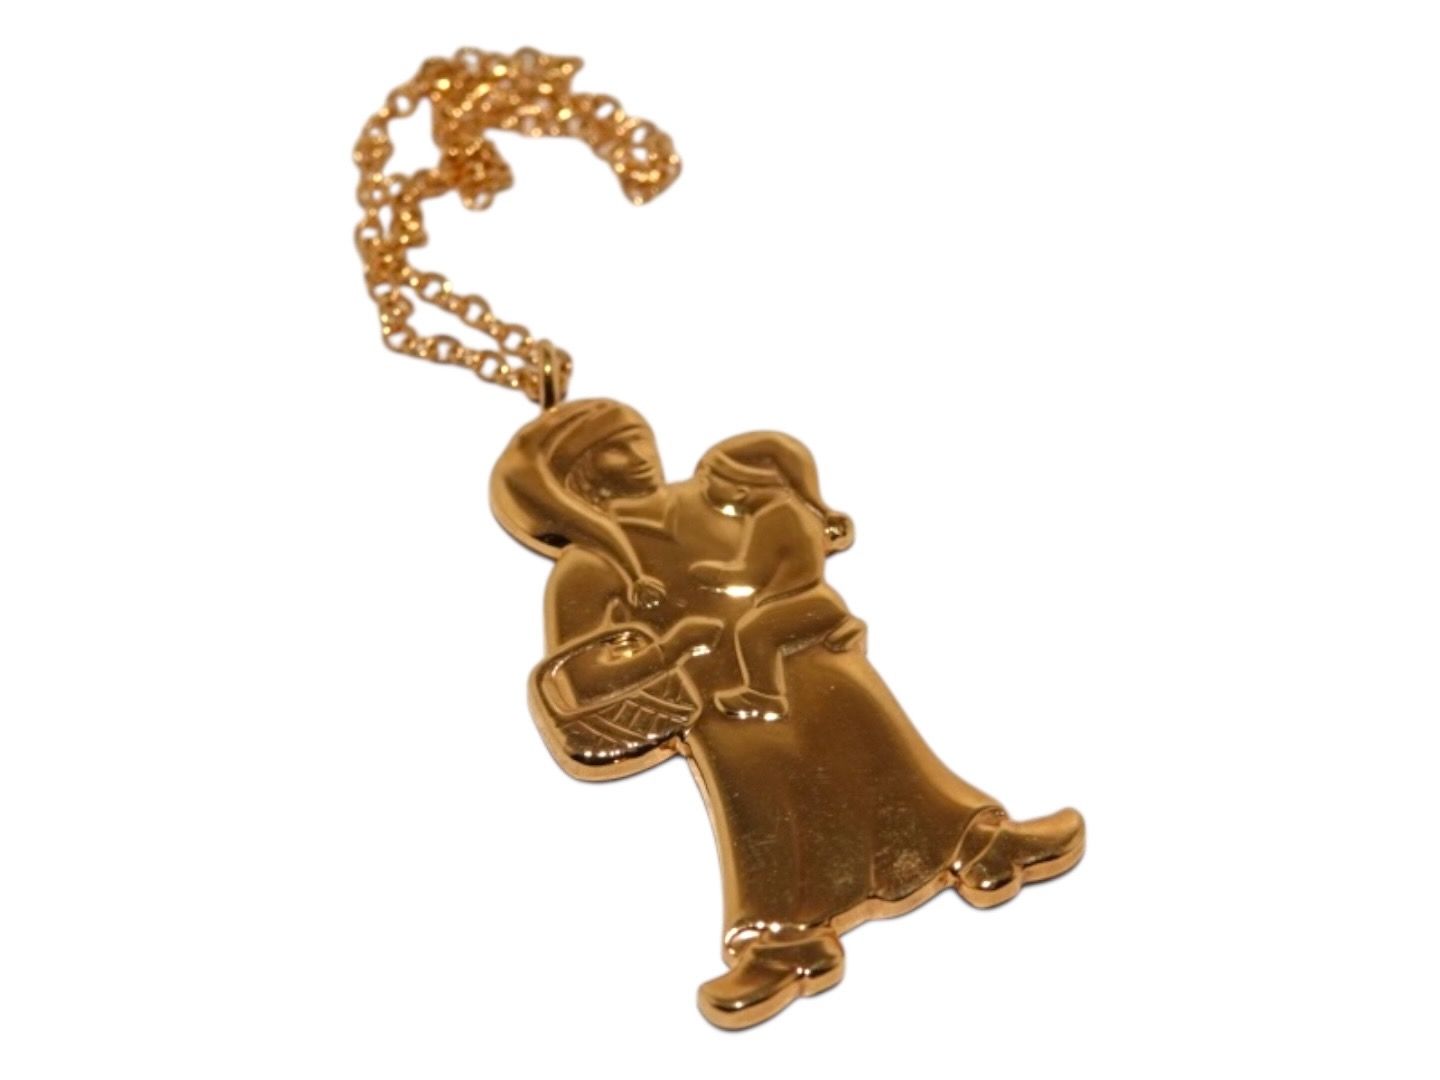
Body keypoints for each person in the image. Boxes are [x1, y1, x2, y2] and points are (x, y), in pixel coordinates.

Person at [492, 398, 1086, 1030]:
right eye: (614, 450)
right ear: (580, 477)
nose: (639, 455)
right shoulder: (586, 567)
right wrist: (671, 648)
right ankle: (781, 944)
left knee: (884, 747)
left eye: (639, 437)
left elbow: (793, 530)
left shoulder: (716, 498)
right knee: (763, 802)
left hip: (807, 652)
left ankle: (981, 845)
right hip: (720, 698)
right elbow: (580, 675)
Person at [688, 433, 866, 721]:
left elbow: (751, 574)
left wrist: (713, 574)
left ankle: (764, 695)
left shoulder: (772, 519)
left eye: (709, 480)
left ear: (740, 491)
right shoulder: (793, 511)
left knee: (753, 632)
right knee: (760, 625)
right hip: (816, 599)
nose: (703, 488)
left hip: (799, 601)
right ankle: (840, 625)